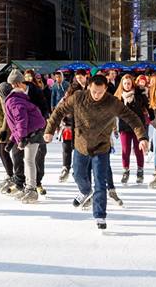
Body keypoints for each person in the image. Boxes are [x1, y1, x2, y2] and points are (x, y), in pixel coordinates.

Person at [44, 74, 149, 231]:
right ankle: (85, 191)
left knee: (100, 181)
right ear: (89, 87)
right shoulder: (78, 97)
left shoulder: (113, 102)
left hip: (101, 146)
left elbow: (132, 118)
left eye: (100, 92)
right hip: (81, 144)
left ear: (106, 89)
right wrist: (50, 130)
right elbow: (59, 111)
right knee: (78, 174)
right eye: (94, 91)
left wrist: (142, 137)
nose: (96, 95)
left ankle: (100, 215)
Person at [0, 78, 47, 203]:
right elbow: (16, 126)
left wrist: (22, 138)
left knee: (29, 160)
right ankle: (28, 187)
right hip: (31, 131)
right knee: (27, 160)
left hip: (34, 131)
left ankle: (32, 190)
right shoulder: (14, 99)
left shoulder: (12, 101)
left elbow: (21, 121)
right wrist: (12, 140)